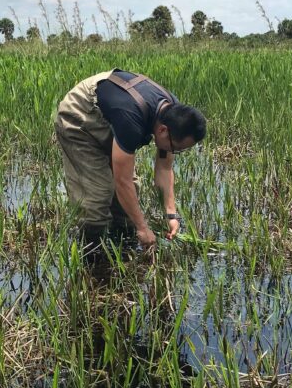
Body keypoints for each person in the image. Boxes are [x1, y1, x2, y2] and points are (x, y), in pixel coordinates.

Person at [54, 70, 207, 262]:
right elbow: (122, 181)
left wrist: (171, 215)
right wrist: (143, 228)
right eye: (176, 148)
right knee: (97, 197)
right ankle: (91, 264)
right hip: (81, 114)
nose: (174, 153)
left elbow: (165, 169)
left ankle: (122, 254)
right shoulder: (131, 121)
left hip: (112, 115)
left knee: (128, 204)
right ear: (162, 130)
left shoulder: (174, 114)